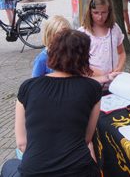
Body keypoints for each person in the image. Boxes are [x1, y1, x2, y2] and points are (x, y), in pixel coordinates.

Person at [0, 29, 102, 177]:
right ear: (84, 57)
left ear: (52, 52)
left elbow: (22, 144)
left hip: (35, 172)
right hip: (79, 171)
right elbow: (86, 139)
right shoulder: (92, 88)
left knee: (9, 165)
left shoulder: (28, 87)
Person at [78, 0, 126, 76]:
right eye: (96, 13)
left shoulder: (114, 29)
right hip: (92, 84)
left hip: (113, 83)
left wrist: (119, 67)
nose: (100, 17)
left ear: (109, 11)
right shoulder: (82, 33)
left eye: (104, 12)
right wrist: (98, 74)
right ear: (89, 12)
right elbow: (79, 63)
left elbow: (121, 52)